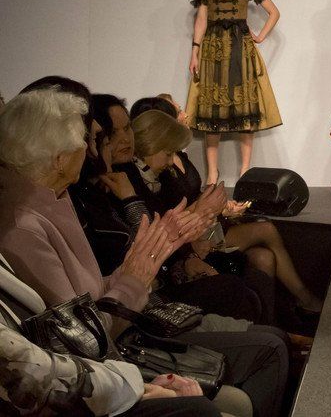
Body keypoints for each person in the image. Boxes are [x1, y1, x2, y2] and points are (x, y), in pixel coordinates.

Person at [0, 89, 289, 417]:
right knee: (254, 361)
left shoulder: (53, 201)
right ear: (59, 158)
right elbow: (83, 339)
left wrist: (142, 265)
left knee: (262, 343)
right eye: (87, 139)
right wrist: (138, 274)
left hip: (126, 337)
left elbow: (94, 296)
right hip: (112, 359)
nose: (91, 148)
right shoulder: (25, 225)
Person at [128, 104, 323, 324]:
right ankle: (301, 302)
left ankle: (270, 326)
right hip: (187, 249)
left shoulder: (161, 172)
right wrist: (199, 217)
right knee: (265, 230)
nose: (184, 114)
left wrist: (216, 208)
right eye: (167, 153)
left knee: (263, 256)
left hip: (197, 236)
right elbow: (159, 228)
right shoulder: (139, 181)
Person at [0, 253, 250, 417]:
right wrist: (136, 386)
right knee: (204, 407)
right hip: (82, 373)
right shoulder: (23, 224)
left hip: (102, 358)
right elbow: (37, 368)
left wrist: (135, 275)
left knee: (232, 400)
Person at [186, 0, 282, 186]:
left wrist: (260, 36)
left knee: (244, 108)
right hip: (213, 50)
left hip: (240, 48)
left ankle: (245, 171)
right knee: (212, 111)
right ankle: (212, 173)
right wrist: (195, 51)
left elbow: (274, 12)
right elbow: (201, 20)